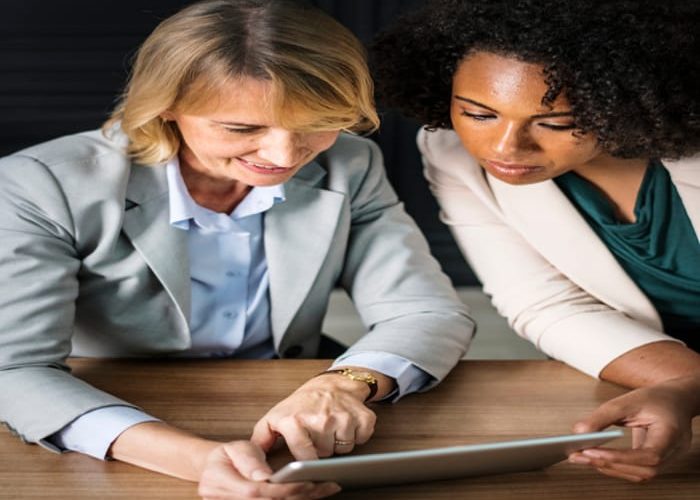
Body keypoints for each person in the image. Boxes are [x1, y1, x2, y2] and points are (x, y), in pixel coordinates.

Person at [0, 1, 475, 498]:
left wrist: (342, 384)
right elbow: (16, 369)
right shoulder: (41, 184)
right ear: (165, 106)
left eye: (317, 122)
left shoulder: (350, 163)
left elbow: (428, 311)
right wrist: (199, 459)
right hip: (114, 417)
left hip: (288, 408)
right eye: (242, 129)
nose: (284, 156)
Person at [373, 0, 700, 483]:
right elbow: (545, 304)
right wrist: (685, 385)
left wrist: (690, 391)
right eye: (478, 113)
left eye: (557, 123)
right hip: (646, 375)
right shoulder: (451, 153)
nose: (505, 148)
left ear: (626, 102)